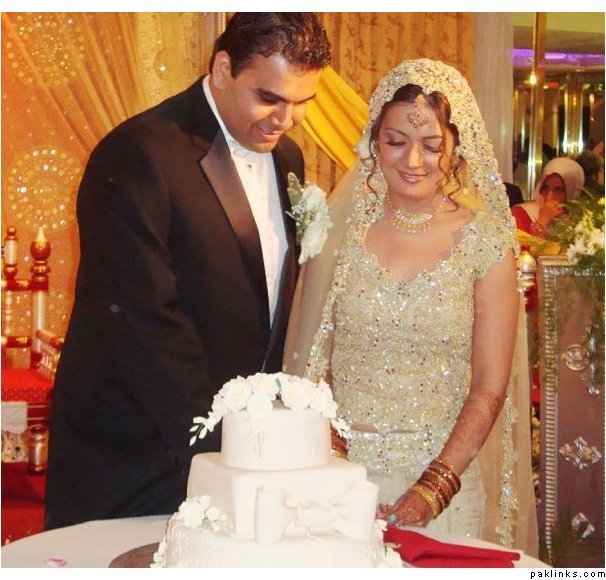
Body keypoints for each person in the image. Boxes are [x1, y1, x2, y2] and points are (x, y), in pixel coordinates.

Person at [45, 13, 331, 530]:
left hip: (241, 457)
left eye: (302, 102)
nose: (285, 120)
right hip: (140, 454)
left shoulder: (288, 158)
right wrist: (223, 448)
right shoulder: (139, 152)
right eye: (269, 97)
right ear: (222, 69)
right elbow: (145, 321)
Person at [284, 59, 538, 554]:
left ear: (456, 147)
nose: (413, 160)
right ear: (374, 143)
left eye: (432, 145)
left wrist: (433, 487)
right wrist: (337, 466)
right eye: (397, 141)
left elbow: (490, 385)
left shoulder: (486, 243)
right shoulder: (339, 232)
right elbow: (313, 362)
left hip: (442, 485)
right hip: (337, 483)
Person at [511, 157, 585, 238]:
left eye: (558, 190)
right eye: (545, 188)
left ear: (572, 193)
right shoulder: (521, 214)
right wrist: (542, 222)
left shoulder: (583, 224)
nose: (549, 197)